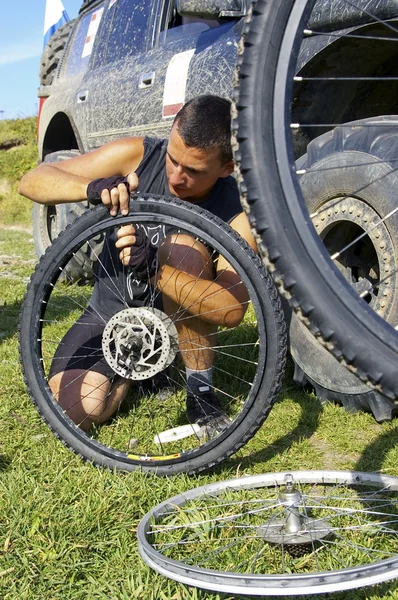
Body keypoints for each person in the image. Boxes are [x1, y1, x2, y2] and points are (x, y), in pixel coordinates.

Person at [19, 95, 257, 432]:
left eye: (194, 171)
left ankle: (199, 388)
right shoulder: (139, 155)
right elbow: (32, 181)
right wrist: (90, 186)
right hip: (111, 314)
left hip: (178, 323)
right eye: (174, 160)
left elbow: (232, 310)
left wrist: (156, 271)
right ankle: (139, 369)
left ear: (227, 168)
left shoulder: (238, 210)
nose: (176, 177)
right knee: (74, 411)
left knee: (182, 248)